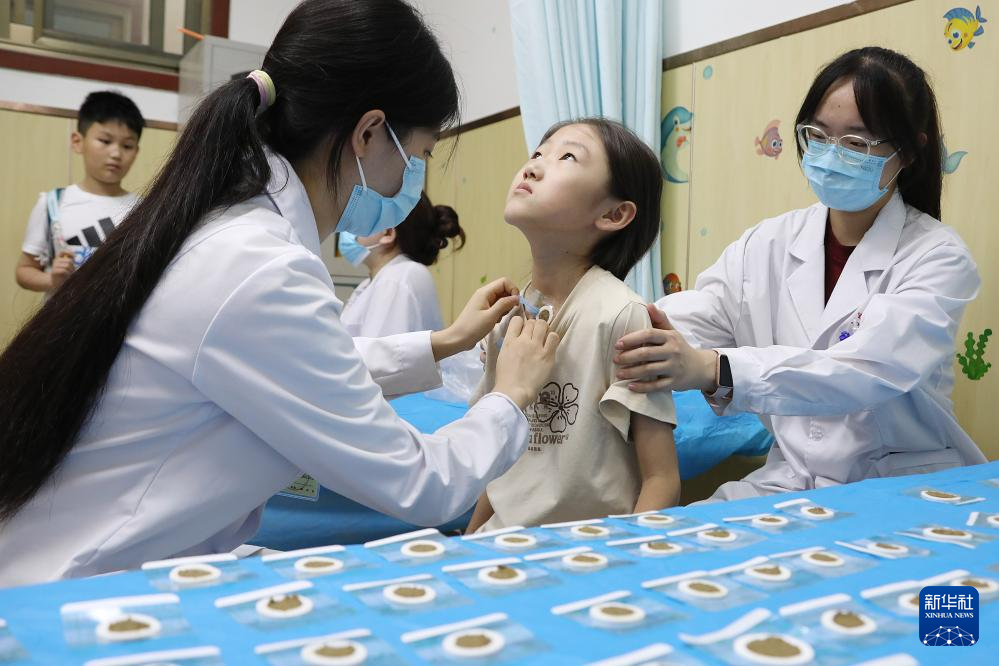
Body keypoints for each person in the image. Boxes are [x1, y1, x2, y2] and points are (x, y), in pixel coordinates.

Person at [0, 0, 559, 587]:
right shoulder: (258, 267)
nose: (413, 181)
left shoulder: (224, 230)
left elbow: (297, 364)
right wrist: (512, 395)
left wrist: (441, 343)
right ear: (369, 133)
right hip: (77, 588)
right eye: (417, 156)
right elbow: (420, 483)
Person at [613, 47, 985, 500]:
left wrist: (713, 369)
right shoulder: (766, 244)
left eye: (856, 143)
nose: (830, 156)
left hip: (900, 487)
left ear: (909, 151)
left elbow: (860, 373)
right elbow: (694, 313)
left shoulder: (937, 257)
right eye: (818, 135)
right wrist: (597, 324)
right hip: (790, 479)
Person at [468, 118, 679, 532]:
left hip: (589, 552)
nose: (533, 166)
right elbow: (496, 468)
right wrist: (467, 538)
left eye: (567, 156)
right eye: (537, 153)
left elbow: (662, 479)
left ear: (614, 214)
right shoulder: (508, 317)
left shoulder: (621, 315)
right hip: (501, 544)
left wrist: (631, 557)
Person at [16, 91, 144, 295]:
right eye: (105, 141)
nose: (116, 153)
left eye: (127, 145)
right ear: (77, 142)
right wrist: (51, 280)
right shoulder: (53, 203)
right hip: (62, 323)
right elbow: (24, 270)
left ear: (136, 151)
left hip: (121, 324)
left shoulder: (144, 209)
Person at [339, 191, 464, 337]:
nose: (350, 225)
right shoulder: (380, 281)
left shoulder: (397, 279)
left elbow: (381, 356)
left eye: (362, 217)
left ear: (387, 233)